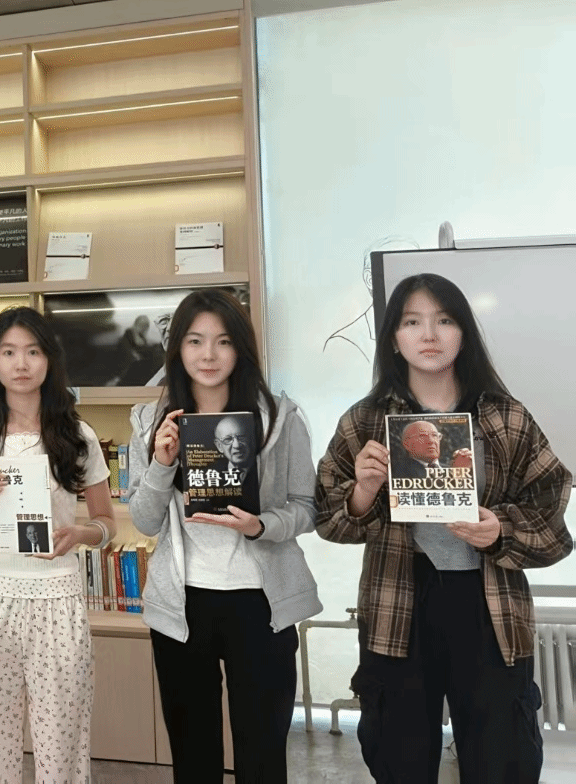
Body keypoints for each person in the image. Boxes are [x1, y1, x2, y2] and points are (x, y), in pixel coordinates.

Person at [316, 273, 572, 784]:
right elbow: (326, 518)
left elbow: (551, 518)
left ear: (464, 333)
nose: (429, 335)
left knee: (502, 756)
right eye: (412, 322)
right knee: (400, 756)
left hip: (488, 605)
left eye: (445, 320)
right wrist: (363, 491)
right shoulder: (365, 421)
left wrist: (500, 531)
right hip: (398, 604)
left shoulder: (506, 418)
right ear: (394, 338)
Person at [127, 288, 322, 782]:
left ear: (241, 348)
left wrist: (260, 525)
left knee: (262, 756)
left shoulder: (279, 417)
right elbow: (145, 521)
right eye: (195, 341)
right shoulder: (150, 421)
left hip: (261, 604)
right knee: (193, 757)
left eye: (223, 341)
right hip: (182, 605)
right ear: (178, 349)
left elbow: (307, 507)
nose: (208, 355)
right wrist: (161, 464)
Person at [0, 305, 115, 783]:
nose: (21, 364)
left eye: (33, 352)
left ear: (49, 360)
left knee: (61, 746)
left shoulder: (78, 436)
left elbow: (106, 523)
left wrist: (79, 534)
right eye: (9, 352)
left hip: (56, 599)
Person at [213, 412, 255, 483]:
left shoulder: (262, 469)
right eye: (228, 439)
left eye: (242, 437)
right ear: (219, 446)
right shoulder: (211, 475)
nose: (237, 445)